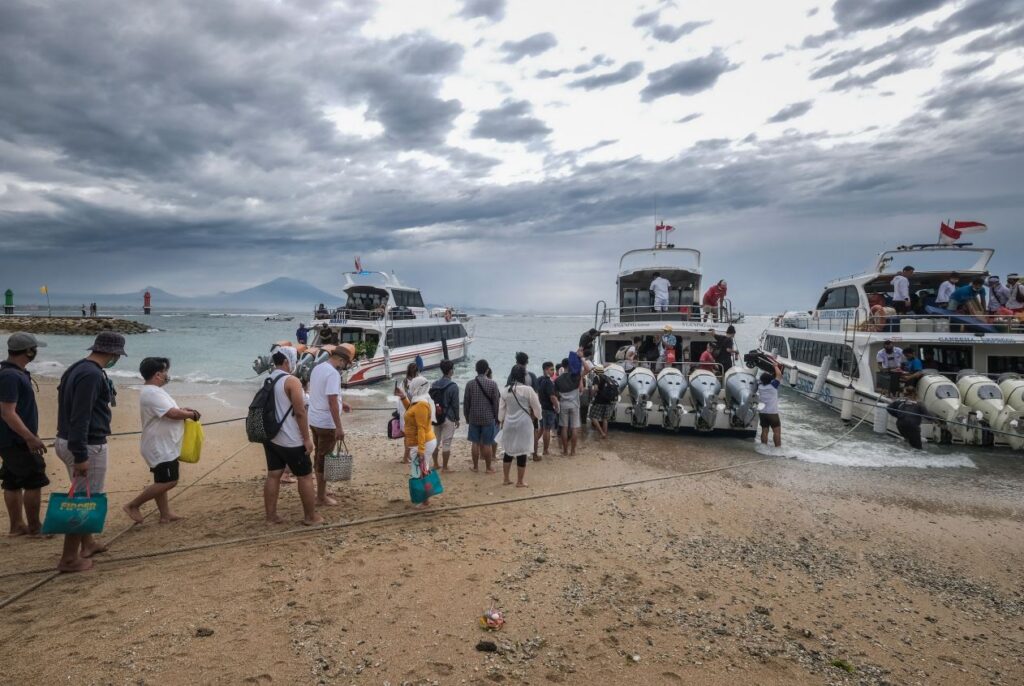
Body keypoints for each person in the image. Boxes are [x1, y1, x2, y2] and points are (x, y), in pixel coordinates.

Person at [54, 331, 126, 572]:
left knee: (83, 495)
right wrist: (81, 454)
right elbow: (81, 416)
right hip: (85, 445)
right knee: (84, 501)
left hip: (70, 440)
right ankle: (69, 558)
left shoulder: (78, 368)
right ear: (113, 353)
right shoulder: (91, 375)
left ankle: (89, 543)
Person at [122, 357, 200, 525]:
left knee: (161, 480)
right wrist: (191, 414)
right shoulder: (152, 392)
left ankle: (165, 514)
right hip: (159, 446)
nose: (167, 375)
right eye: (165, 372)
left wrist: (182, 410)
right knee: (170, 481)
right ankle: (133, 505)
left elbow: (169, 410)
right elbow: (172, 414)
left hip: (162, 443)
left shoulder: (154, 391)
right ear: (158, 374)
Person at [262, 347, 322, 526]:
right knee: (304, 475)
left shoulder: (268, 379)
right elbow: (300, 412)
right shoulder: (291, 381)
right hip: (290, 439)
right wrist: (306, 438)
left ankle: (271, 516)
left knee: (273, 474)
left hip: (271, 436)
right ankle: (310, 517)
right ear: (288, 361)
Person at [0, 332, 49, 537]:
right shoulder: (10, 376)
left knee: (12, 479)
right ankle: (35, 527)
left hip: (10, 438)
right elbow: (7, 411)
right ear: (28, 351)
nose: (36, 352)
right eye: (35, 349)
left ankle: (17, 526)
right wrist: (29, 437)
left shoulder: (13, 372)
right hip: (17, 439)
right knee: (33, 479)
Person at [307, 343, 355, 507]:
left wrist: (344, 403)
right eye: (346, 364)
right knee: (324, 459)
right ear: (341, 361)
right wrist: (339, 427)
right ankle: (321, 497)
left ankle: (321, 490)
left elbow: (320, 393)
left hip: (314, 419)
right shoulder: (333, 374)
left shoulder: (318, 368)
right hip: (326, 424)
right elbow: (331, 401)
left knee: (319, 456)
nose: (345, 367)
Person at [498, 365, 542, 487]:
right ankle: (520, 481)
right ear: (524, 376)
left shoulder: (505, 390)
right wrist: (537, 416)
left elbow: (501, 411)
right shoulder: (528, 390)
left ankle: (506, 479)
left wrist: (500, 420)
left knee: (508, 450)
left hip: (509, 423)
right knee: (522, 451)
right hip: (524, 423)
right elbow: (537, 407)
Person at [403, 376, 437, 508]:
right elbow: (411, 412)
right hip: (421, 442)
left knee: (421, 470)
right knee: (421, 469)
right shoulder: (418, 401)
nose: (410, 387)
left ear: (417, 387)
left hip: (423, 442)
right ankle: (424, 498)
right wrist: (402, 398)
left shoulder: (421, 403)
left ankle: (425, 500)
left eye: (413, 385)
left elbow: (421, 428)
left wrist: (421, 450)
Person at [464, 359, 499, 473]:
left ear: (476, 370)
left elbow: (466, 402)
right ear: (487, 370)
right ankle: (488, 468)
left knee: (475, 442)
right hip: (488, 417)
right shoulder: (493, 384)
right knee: (487, 443)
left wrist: (466, 417)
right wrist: (497, 417)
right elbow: (496, 403)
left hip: (474, 416)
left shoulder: (470, 384)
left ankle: (475, 467)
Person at [430, 359, 460, 472]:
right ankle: (445, 467)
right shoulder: (453, 386)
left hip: (436, 416)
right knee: (446, 442)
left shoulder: (434, 384)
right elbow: (455, 405)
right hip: (448, 416)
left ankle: (436, 464)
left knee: (435, 442)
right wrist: (457, 418)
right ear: (450, 371)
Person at [555, 363, 582, 456]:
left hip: (563, 405)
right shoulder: (575, 377)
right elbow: (588, 369)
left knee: (564, 428)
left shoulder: (558, 380)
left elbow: (557, 394)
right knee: (574, 428)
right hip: (574, 405)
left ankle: (565, 450)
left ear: (563, 366)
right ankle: (573, 451)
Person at [535, 362, 559, 457]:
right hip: (548, 408)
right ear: (546, 370)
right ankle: (545, 450)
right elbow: (552, 397)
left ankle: (533, 446)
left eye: (553, 369)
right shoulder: (548, 382)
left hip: (541, 407)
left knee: (541, 429)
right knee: (547, 429)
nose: (553, 371)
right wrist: (557, 406)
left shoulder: (540, 379)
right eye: (551, 369)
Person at [398, 362, 420, 464]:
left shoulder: (403, 382)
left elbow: (399, 399)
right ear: (416, 372)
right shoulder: (417, 383)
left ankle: (407, 457)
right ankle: (405, 457)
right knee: (410, 436)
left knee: (406, 436)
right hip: (412, 412)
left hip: (403, 413)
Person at [757, 359, 783, 447]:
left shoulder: (760, 386)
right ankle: (778, 449)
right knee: (777, 432)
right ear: (770, 380)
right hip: (772, 413)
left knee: (764, 430)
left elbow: (761, 380)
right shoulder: (773, 386)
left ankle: (763, 447)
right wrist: (775, 366)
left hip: (762, 413)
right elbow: (779, 375)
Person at [588, 366, 617, 439]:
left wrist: (591, 395)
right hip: (609, 401)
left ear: (596, 372)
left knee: (592, 416)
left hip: (599, 400)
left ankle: (601, 433)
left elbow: (596, 388)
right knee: (605, 419)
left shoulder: (597, 377)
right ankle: (604, 434)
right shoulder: (608, 378)